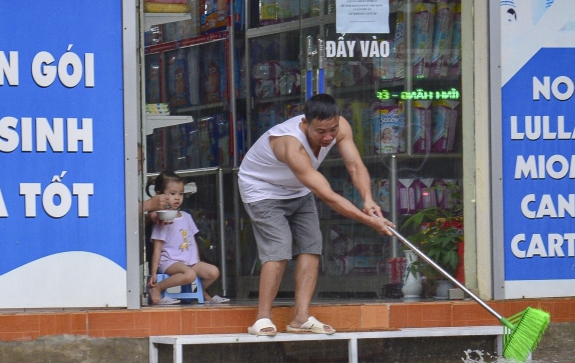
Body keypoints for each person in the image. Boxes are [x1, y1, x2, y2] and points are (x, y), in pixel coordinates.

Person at [238, 93, 392, 336]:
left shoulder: (339, 127)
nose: (328, 137)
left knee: (312, 245)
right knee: (279, 247)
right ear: (305, 124)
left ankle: (300, 318)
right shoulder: (291, 145)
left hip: (297, 188)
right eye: (321, 132)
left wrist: (368, 199)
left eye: (332, 129)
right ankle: (262, 318)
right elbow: (327, 194)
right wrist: (369, 221)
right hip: (262, 189)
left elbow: (355, 165)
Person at [148, 171, 228, 306]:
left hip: (189, 262)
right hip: (170, 261)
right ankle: (158, 288)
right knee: (190, 275)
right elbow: (157, 248)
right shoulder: (162, 219)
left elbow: (192, 240)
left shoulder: (186, 216)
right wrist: (154, 272)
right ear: (160, 194)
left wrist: (196, 259)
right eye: (173, 194)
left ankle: (201, 290)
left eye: (181, 194)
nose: (177, 198)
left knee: (213, 272)